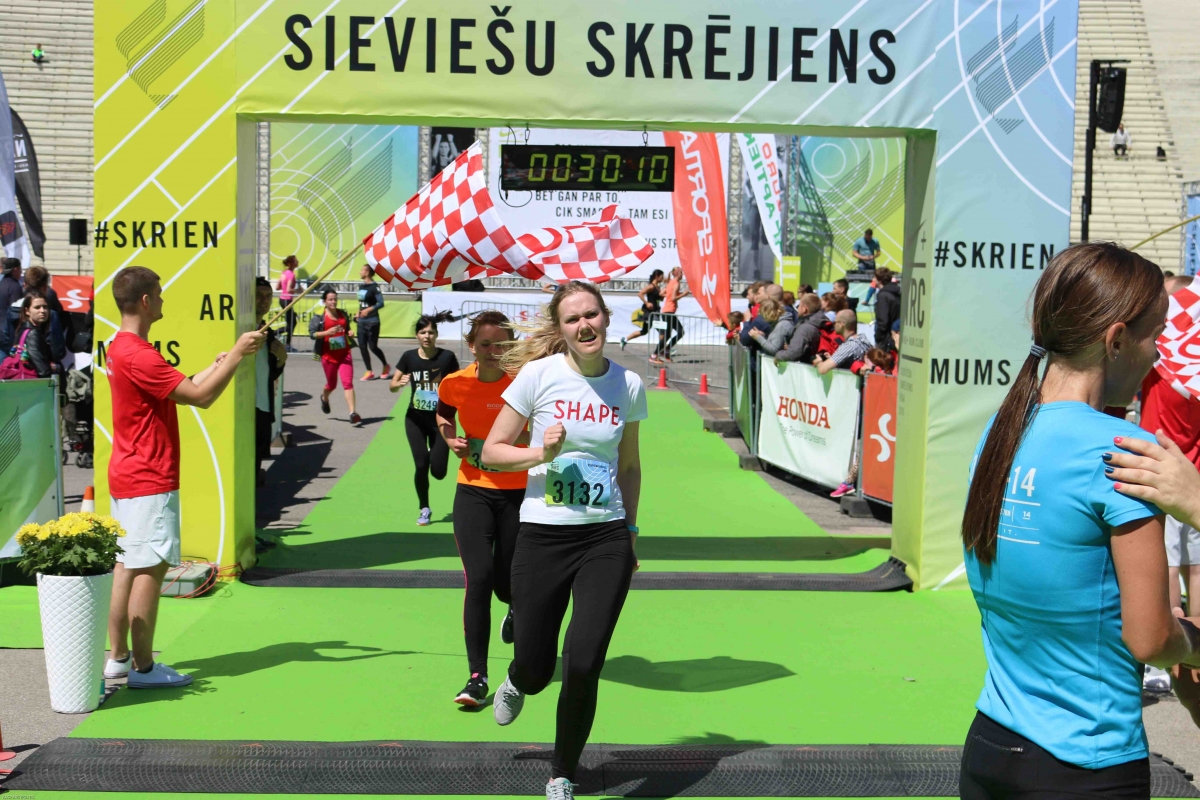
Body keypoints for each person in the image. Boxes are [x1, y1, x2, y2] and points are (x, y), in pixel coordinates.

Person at [957, 242, 1200, 798]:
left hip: (991, 744)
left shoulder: (1000, 432)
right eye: (1156, 336)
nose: (1159, 356)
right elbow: (1150, 638)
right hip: (1085, 762)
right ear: (1116, 340)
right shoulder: (1123, 453)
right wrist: (1191, 641)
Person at [482, 280, 646, 800]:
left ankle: (562, 773)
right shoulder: (539, 376)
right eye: (573, 319)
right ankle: (517, 677)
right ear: (561, 329)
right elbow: (491, 452)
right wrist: (540, 455)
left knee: (583, 661)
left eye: (591, 314)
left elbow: (629, 466)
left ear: (606, 318)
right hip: (543, 536)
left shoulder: (628, 385)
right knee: (537, 669)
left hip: (605, 537)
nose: (584, 325)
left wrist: (630, 531)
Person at [104, 266, 264, 689]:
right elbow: (201, 397)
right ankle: (142, 668)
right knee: (148, 568)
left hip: (128, 471)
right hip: (148, 474)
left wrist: (217, 365)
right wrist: (237, 355)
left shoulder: (120, 347)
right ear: (144, 302)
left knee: (126, 567)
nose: (162, 300)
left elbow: (181, 387)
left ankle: (118, 658)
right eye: (158, 294)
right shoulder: (139, 353)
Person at [436, 311, 527, 707]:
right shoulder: (455, 383)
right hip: (472, 490)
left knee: (507, 582)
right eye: (486, 344)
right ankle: (477, 676)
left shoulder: (524, 382)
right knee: (479, 578)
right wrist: (450, 438)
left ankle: (515, 608)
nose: (494, 351)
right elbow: (443, 413)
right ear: (471, 346)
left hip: (519, 493)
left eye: (502, 344)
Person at [391, 311, 460, 526]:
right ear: (417, 335)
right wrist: (398, 383)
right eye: (422, 332)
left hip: (440, 421)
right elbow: (392, 385)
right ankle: (424, 508)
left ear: (436, 334)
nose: (427, 336)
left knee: (438, 472)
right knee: (421, 465)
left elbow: (459, 383)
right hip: (415, 420)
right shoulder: (409, 357)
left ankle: (434, 452)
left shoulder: (447, 357)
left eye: (430, 332)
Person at [309, 288, 361, 426]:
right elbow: (312, 334)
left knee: (348, 383)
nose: (333, 302)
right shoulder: (319, 318)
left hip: (344, 353)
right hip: (328, 356)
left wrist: (350, 333)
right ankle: (324, 398)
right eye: (330, 299)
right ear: (325, 301)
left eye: (335, 299)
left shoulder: (342, 313)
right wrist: (327, 332)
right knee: (332, 385)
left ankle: (352, 413)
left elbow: (347, 328)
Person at [254, 278, 287, 484]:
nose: (264, 300)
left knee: (257, 457)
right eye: (258, 295)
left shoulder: (268, 331)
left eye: (268, 296)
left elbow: (270, 373)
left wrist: (282, 360)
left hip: (264, 405)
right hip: (245, 406)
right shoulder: (241, 330)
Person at [0, 293, 61, 379]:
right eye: (37, 307)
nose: (42, 310)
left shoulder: (22, 328)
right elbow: (42, 369)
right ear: (27, 311)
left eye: (45, 307)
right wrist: (53, 370)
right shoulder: (32, 333)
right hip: (33, 383)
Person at [356, 264, 391, 381]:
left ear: (367, 272)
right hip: (361, 321)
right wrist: (359, 313)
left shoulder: (375, 287)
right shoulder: (361, 286)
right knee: (362, 346)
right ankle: (369, 371)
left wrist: (368, 310)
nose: (360, 272)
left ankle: (385, 366)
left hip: (372, 321)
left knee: (373, 347)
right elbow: (361, 303)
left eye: (361, 270)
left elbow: (381, 303)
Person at [652, 267, 689, 363]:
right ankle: (655, 354)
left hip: (667, 311)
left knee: (669, 335)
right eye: (681, 273)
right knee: (679, 332)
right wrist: (684, 294)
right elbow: (673, 298)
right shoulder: (676, 283)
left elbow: (661, 293)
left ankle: (665, 351)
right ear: (676, 274)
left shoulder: (670, 282)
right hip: (669, 312)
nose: (682, 275)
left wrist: (668, 296)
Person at [776, 294, 826, 364]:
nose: (798, 308)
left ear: (804, 309)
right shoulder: (822, 321)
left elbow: (792, 354)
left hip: (807, 367)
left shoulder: (805, 328)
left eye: (799, 306)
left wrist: (778, 355)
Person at [620, 269, 664, 350]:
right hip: (650, 313)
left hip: (656, 311)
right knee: (662, 330)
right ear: (657, 276)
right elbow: (640, 293)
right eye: (661, 276)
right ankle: (663, 349)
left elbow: (659, 299)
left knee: (644, 331)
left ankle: (625, 339)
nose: (662, 278)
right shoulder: (651, 286)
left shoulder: (658, 287)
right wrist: (647, 303)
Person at [816, 310, 870, 375]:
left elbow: (822, 369)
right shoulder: (863, 339)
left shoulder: (848, 346)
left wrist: (818, 361)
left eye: (835, 322)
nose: (833, 325)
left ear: (842, 324)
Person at [873, 268, 901, 353]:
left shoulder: (883, 296)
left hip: (886, 339)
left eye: (874, 277)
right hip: (895, 335)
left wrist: (878, 337)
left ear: (879, 280)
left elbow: (883, 321)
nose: (873, 279)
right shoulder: (896, 293)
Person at [0, 258, 23, 356]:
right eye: (20, 269)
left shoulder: (2, 283)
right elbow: (15, 311)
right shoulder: (14, 286)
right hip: (7, 333)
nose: (21, 272)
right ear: (15, 269)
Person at [278, 256, 298, 351]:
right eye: (295, 261)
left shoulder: (284, 273)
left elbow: (278, 287)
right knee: (292, 323)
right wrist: (298, 290)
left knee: (291, 322)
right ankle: (286, 343)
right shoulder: (291, 274)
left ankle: (287, 343)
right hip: (287, 300)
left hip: (282, 299)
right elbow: (289, 289)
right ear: (291, 263)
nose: (297, 262)